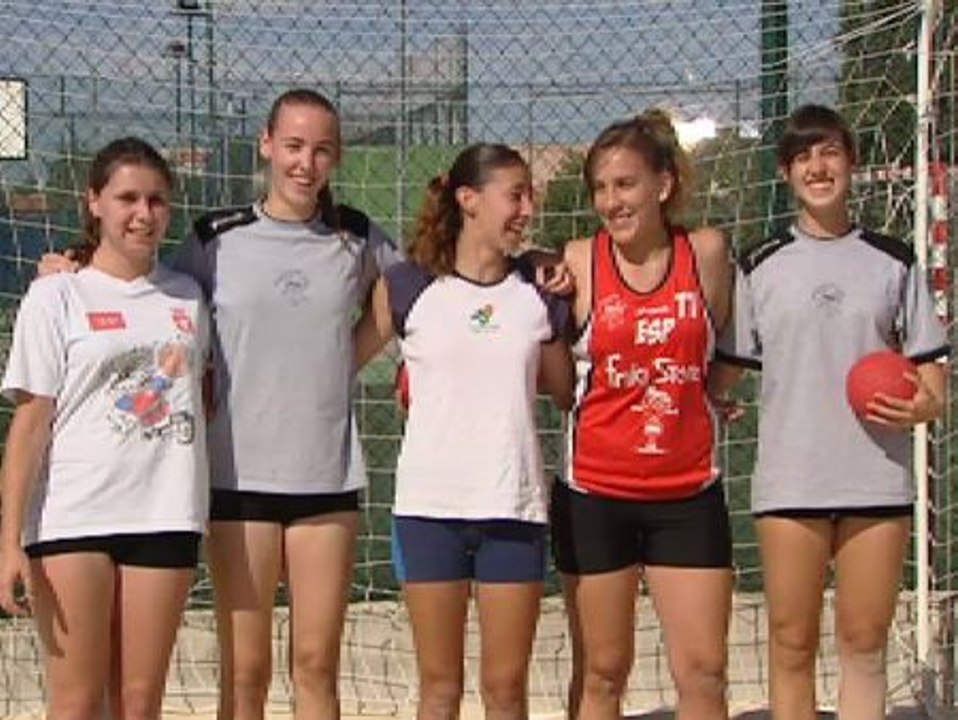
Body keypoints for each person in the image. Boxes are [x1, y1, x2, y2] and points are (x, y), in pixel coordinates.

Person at [37, 89, 402, 720]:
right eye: (293, 145)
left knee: (316, 664)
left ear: (336, 156)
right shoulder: (216, 238)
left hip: (326, 478)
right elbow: (143, 285)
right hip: (239, 480)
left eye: (321, 150)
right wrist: (72, 265)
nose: (305, 163)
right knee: (246, 670)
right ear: (267, 145)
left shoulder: (356, 235)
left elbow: (409, 284)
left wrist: (346, 356)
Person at [713, 104, 948, 719]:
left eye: (829, 152)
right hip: (792, 480)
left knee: (863, 643)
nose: (817, 167)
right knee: (791, 643)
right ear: (786, 173)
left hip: (874, 477)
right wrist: (706, 396)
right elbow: (725, 370)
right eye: (802, 157)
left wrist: (923, 403)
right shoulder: (759, 264)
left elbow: (932, 381)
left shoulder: (893, 260)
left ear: (851, 161)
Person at [353, 143, 574, 720]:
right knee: (439, 689)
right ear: (469, 199)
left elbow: (563, 393)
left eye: (530, 195)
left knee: (506, 690)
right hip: (429, 511)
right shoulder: (406, 285)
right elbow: (339, 362)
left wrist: (555, 310)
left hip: (513, 509)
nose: (527, 208)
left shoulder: (537, 288)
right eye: (515, 194)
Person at [0, 137, 209, 720]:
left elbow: (202, 398)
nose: (143, 213)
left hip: (165, 514)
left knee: (139, 704)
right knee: (77, 702)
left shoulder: (188, 296)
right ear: (94, 201)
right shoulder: (55, 295)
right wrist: (8, 540)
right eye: (127, 198)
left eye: (156, 200)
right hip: (73, 517)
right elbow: (30, 423)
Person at [551, 109, 735, 720]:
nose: (612, 201)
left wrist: (711, 393)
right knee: (603, 671)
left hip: (687, 492)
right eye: (601, 188)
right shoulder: (578, 260)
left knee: (704, 672)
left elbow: (729, 346)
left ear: (663, 184)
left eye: (625, 184)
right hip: (595, 493)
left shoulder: (705, 253)